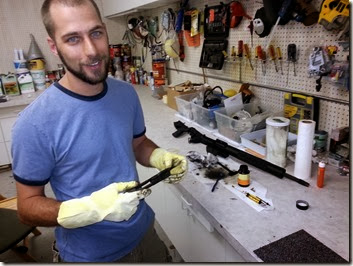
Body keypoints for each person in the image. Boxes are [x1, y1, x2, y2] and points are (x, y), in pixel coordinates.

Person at [11, 0, 187, 262]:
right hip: (90, 255)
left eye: (96, 33)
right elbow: (27, 208)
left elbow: (137, 144)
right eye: (73, 39)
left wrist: (158, 156)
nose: (91, 50)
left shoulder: (126, 93)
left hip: (144, 234)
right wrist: (90, 210)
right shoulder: (34, 123)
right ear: (53, 47)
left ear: (105, 31)